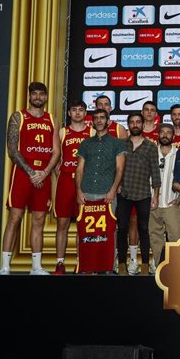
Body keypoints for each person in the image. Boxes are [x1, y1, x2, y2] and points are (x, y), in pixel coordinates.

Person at [0, 82, 61, 275]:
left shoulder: (52, 119)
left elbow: (56, 151)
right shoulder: (18, 116)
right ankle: (5, 266)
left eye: (41, 94)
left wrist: (44, 172)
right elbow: (12, 149)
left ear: (46, 97)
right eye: (34, 94)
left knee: (39, 220)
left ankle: (36, 267)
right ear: (29, 96)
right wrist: (31, 171)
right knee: (14, 218)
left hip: (44, 174)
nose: (38, 97)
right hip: (23, 173)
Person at [75, 108, 125, 271]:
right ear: (92, 122)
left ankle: (109, 266)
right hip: (86, 192)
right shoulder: (85, 143)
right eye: (95, 118)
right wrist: (78, 191)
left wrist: (112, 190)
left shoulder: (117, 143)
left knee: (109, 231)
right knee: (84, 231)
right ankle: (83, 265)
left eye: (102, 118)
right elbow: (79, 169)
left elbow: (119, 169)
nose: (99, 120)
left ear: (108, 121)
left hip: (107, 193)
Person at [116, 113, 160, 275]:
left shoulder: (150, 146)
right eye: (132, 122)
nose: (135, 125)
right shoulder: (121, 144)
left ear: (142, 125)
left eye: (138, 122)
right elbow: (116, 168)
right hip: (124, 192)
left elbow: (155, 172)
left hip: (143, 193)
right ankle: (121, 264)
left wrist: (156, 195)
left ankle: (145, 265)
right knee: (122, 228)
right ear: (128, 125)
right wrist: (117, 185)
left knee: (144, 228)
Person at [53, 100, 92, 274]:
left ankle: (81, 261)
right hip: (66, 180)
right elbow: (56, 157)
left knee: (83, 224)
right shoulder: (63, 132)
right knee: (63, 223)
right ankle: (60, 263)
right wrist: (60, 174)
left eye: (81, 110)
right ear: (69, 113)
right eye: (74, 110)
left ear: (85, 113)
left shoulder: (91, 132)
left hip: (85, 182)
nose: (77, 113)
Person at [149, 123, 180, 271]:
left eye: (168, 133)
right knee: (155, 238)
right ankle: (158, 267)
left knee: (176, 237)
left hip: (172, 203)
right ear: (158, 135)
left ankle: (178, 269)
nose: (165, 135)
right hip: (152, 204)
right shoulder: (150, 153)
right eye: (162, 132)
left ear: (173, 136)